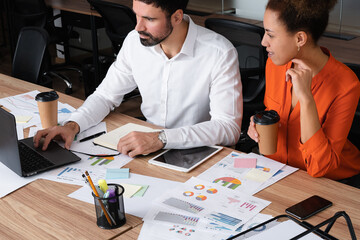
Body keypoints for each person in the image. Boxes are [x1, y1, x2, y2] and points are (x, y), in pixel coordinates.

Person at [34, 0, 243, 158]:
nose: (138, 27)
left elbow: (228, 128)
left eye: (149, 19)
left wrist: (161, 138)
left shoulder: (219, 52)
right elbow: (106, 95)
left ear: (177, 17)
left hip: (199, 151)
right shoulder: (135, 42)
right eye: (137, 16)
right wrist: (72, 125)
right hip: (148, 146)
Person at [247, 0, 360, 184]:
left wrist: (307, 99)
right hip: (280, 174)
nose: (263, 42)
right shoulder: (275, 64)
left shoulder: (346, 84)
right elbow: (275, 113)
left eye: (270, 35)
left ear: (300, 39)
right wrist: (260, 123)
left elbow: (319, 167)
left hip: (331, 183)